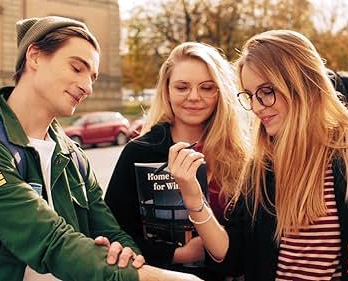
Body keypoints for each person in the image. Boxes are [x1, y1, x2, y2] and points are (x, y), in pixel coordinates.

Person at [0, 16, 202, 281]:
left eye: (93, 77)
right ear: (35, 56)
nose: (87, 87)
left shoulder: (73, 156)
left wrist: (126, 256)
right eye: (77, 68)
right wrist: (164, 278)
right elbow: (51, 242)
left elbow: (114, 233)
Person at [169, 30, 348, 280]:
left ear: (302, 83)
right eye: (251, 96)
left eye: (266, 91)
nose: (255, 107)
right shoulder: (262, 166)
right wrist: (194, 199)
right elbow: (232, 260)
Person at [105, 42, 249, 280]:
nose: (194, 97)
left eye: (206, 87)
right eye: (182, 87)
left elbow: (248, 243)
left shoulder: (240, 154)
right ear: (167, 90)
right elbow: (114, 231)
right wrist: (177, 254)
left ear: (221, 92)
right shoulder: (139, 152)